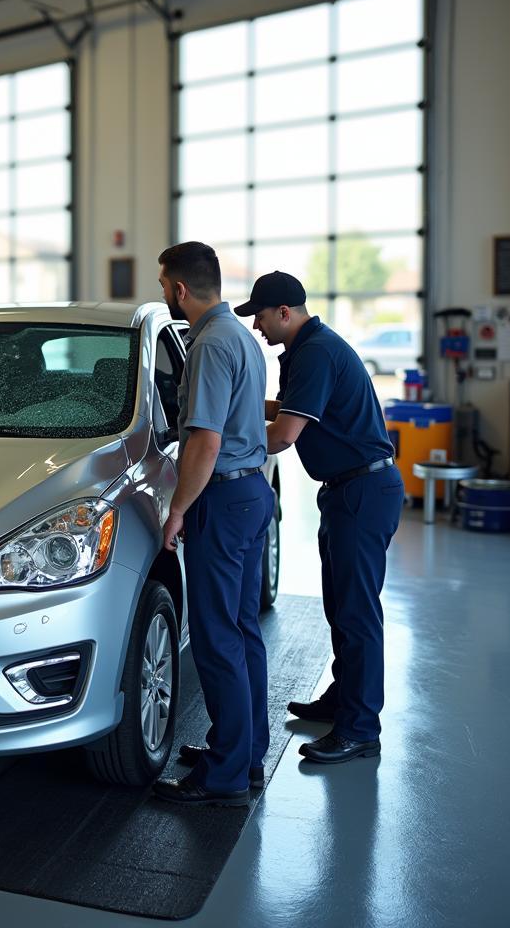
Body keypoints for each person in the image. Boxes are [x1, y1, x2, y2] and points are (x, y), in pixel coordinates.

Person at [235, 271, 404, 764]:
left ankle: (359, 729)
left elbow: (284, 433)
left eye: (262, 317)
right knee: (341, 606)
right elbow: (290, 409)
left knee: (357, 613)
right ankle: (343, 700)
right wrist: (232, 407)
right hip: (350, 489)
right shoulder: (312, 347)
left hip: (362, 489)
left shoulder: (315, 353)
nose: (258, 328)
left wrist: (218, 447)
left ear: (284, 312)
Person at [151, 241, 275, 808]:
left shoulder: (209, 345)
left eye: (163, 286)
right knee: (243, 629)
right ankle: (245, 754)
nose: (164, 295)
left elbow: (204, 439)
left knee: (218, 637)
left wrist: (176, 510)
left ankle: (223, 776)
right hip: (251, 491)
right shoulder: (243, 338)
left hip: (221, 502)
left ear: (179, 289)